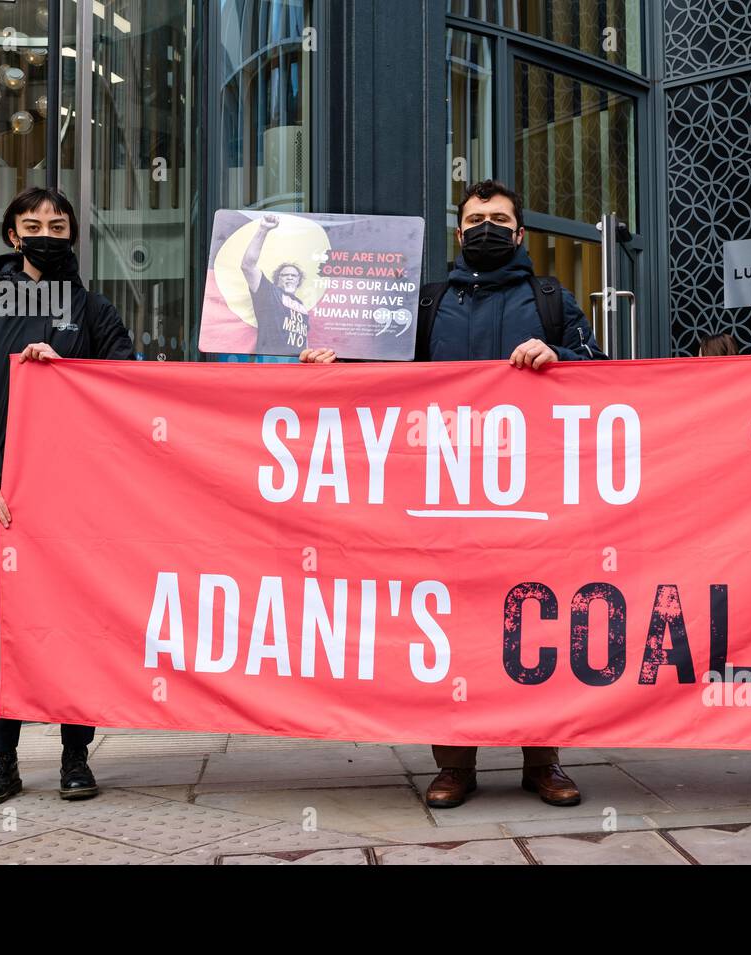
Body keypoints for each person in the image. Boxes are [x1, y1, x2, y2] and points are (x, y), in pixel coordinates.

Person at [300, 179, 606, 809]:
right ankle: (453, 763)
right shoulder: (429, 301)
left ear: (519, 234)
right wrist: (339, 364)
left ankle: (541, 760)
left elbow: (598, 366)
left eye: (498, 219)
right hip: (439, 490)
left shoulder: (550, 299)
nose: (486, 228)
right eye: (474, 219)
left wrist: (560, 352)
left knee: (534, 619)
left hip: (529, 489)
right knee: (447, 619)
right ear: (459, 232)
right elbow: (389, 375)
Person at [0, 186, 134, 807]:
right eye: (32, 225)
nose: (45, 235)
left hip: (72, 510)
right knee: (0, 637)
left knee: (73, 633)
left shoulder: (97, 313)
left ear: (73, 236)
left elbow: (129, 392)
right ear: (11, 236)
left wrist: (69, 374)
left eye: (58, 226)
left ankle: (75, 756)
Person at [240, 214, 311, 356]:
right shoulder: (268, 291)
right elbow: (247, 266)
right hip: (270, 361)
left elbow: (305, 340)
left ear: (298, 281)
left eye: (294, 275)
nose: (290, 278)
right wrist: (263, 229)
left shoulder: (302, 306)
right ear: (278, 279)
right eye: (285, 275)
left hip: (298, 365)